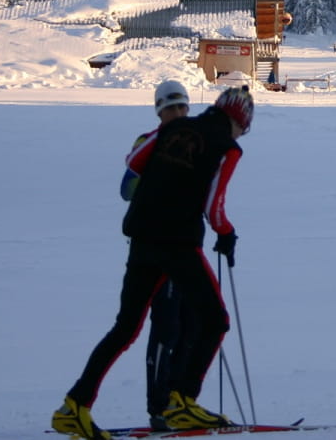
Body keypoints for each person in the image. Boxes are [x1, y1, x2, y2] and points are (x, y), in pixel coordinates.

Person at [53, 86, 253, 440]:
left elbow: (134, 162)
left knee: (125, 328)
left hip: (142, 239)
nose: (241, 134)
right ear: (239, 121)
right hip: (178, 243)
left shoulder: (172, 128)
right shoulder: (227, 147)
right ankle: (182, 400)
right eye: (244, 128)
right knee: (215, 320)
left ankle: (75, 406)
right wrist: (226, 234)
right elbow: (214, 205)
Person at [119, 80, 199, 432]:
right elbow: (126, 188)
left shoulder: (195, 143)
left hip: (186, 247)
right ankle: (159, 406)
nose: (179, 113)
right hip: (155, 248)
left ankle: (181, 402)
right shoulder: (147, 142)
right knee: (165, 326)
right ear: (159, 111)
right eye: (171, 108)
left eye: (183, 107)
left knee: (192, 325)